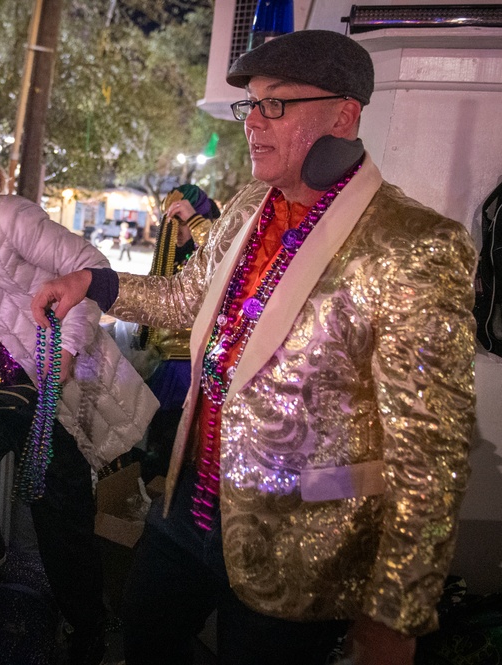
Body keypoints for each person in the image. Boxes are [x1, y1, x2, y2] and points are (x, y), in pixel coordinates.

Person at [31, 30, 476, 665]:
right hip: (187, 500)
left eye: (276, 104)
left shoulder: (415, 245)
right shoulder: (246, 208)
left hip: (301, 538)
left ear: (344, 115)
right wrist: (92, 283)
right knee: (145, 633)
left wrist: (396, 611)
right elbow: (187, 300)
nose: (253, 124)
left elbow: (430, 450)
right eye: (251, 105)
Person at [0, 131, 157, 664]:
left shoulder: (7, 218)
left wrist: (65, 352)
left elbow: (90, 267)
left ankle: (87, 630)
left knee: (59, 521)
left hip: (49, 398)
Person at [136, 184, 221, 480]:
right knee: (160, 450)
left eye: (185, 220)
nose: (178, 228)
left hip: (197, 368)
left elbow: (221, 260)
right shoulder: (169, 257)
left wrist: (198, 225)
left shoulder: (211, 253)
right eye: (172, 221)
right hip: (167, 365)